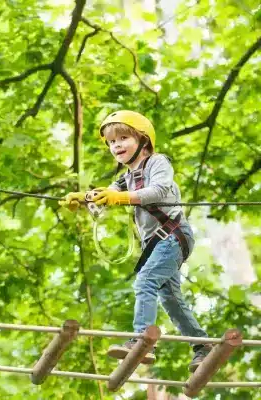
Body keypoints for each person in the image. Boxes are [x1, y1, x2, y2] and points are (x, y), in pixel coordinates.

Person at [60, 110, 211, 372]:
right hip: (156, 243)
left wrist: (121, 198)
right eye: (111, 142)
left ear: (143, 140)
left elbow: (159, 190)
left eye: (123, 138)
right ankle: (202, 347)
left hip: (173, 235)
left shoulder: (157, 162)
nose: (116, 145)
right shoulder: (126, 177)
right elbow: (108, 194)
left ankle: (142, 340)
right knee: (171, 299)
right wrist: (82, 198)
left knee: (146, 281)